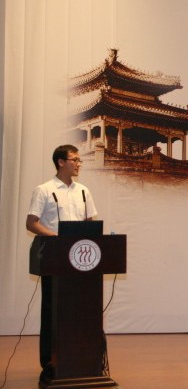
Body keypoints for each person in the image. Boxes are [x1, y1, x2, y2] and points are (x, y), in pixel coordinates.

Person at [26, 145, 98, 382]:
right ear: (60, 162)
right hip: (55, 257)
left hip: (80, 260)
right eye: (74, 159)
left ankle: (82, 361)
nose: (78, 164)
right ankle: (50, 363)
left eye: (79, 160)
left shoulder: (84, 191)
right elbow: (31, 223)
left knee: (80, 311)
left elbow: (90, 223)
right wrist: (56, 237)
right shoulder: (44, 190)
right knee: (52, 311)